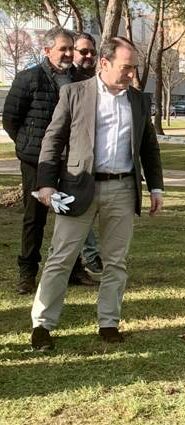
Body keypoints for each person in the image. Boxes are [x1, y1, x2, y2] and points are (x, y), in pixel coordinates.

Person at [29, 36, 164, 351]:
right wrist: (46, 183)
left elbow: (149, 146)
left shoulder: (139, 101)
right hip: (78, 188)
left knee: (116, 261)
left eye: (134, 68)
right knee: (61, 258)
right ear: (104, 63)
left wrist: (156, 186)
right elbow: (53, 139)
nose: (132, 74)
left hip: (122, 188)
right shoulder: (74, 93)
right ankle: (42, 325)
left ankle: (109, 323)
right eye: (126, 67)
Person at [2, 28, 96, 294]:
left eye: (71, 49)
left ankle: (74, 270)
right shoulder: (27, 78)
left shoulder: (82, 81)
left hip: (72, 162)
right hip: (36, 162)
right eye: (62, 48)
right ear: (47, 50)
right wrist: (28, 145)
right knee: (35, 219)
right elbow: (11, 119)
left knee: (73, 217)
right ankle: (27, 273)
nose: (68, 54)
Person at [70, 31, 104, 278]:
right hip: (66, 163)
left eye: (92, 51)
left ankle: (87, 260)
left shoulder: (99, 82)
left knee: (86, 210)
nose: (89, 56)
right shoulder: (66, 83)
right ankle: (87, 258)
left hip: (93, 163)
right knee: (75, 214)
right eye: (84, 51)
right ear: (72, 52)